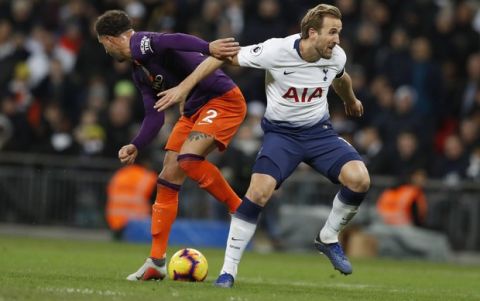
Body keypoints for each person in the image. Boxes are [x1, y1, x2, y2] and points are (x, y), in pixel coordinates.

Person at [155, 4, 371, 287]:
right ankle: (228, 272)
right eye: (332, 33)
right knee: (258, 192)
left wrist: (350, 100)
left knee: (360, 179)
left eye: (339, 33)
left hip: (320, 134)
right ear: (311, 33)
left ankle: (328, 238)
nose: (337, 40)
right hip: (282, 136)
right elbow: (223, 56)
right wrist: (184, 87)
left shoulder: (335, 55)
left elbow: (341, 78)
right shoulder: (276, 50)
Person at [94, 10, 247, 281]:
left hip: (222, 100)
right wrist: (136, 145)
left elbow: (170, 39)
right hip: (193, 110)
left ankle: (241, 209)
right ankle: (156, 261)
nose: (104, 50)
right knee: (167, 177)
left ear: (109, 39)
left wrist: (208, 47)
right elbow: (155, 114)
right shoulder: (139, 72)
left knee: (188, 159)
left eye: (102, 44)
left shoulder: (140, 42)